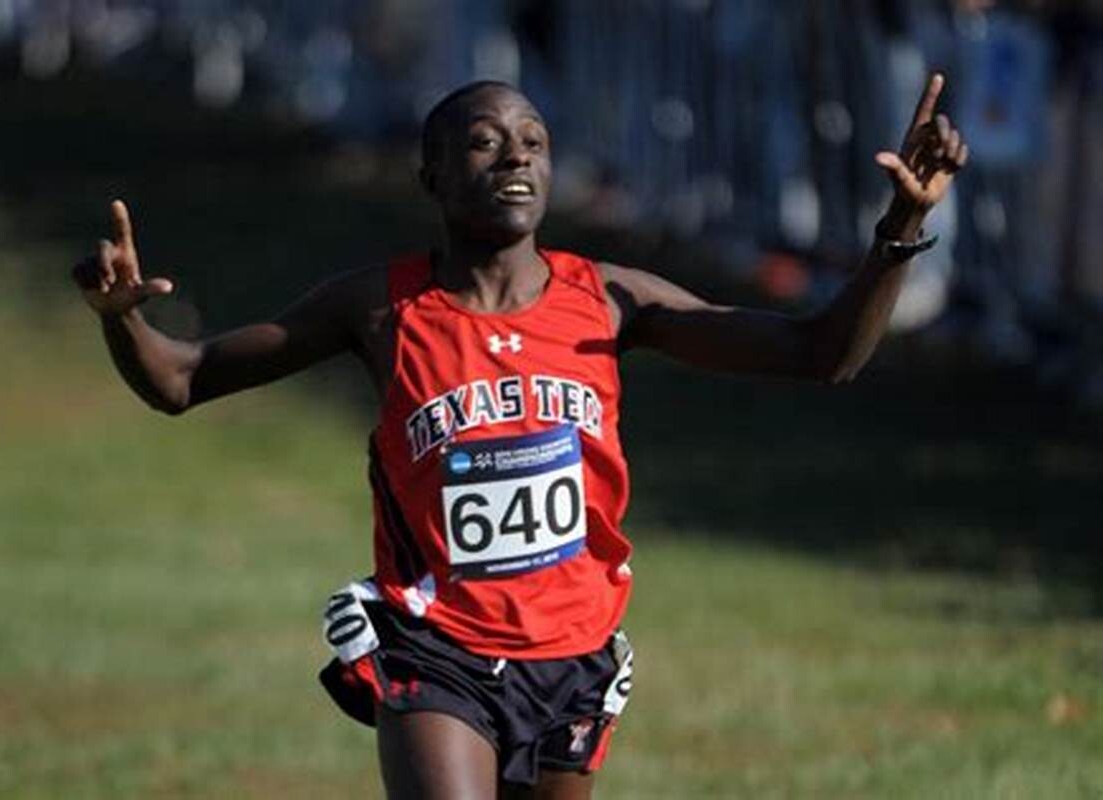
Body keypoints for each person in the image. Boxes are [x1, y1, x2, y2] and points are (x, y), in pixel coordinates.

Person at [72, 76, 967, 800]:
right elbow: (183, 379)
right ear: (431, 176)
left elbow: (821, 354)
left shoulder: (607, 299)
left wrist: (901, 228)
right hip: (435, 647)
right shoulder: (380, 308)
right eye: (485, 141)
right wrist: (122, 321)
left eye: (534, 141)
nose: (515, 156)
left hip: (573, 654)